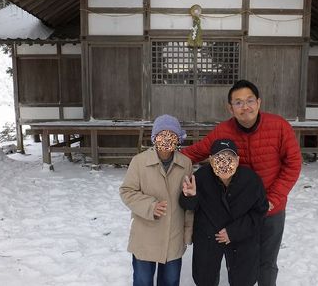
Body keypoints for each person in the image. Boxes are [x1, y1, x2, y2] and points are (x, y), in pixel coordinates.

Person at [181, 79, 302, 286]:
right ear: (230, 108)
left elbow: (293, 163)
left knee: (266, 261)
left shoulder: (279, 126)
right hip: (239, 212)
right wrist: (162, 159)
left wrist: (273, 198)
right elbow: (197, 151)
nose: (245, 107)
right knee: (241, 259)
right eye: (238, 102)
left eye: (249, 100)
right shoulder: (223, 131)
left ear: (259, 102)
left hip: (272, 208)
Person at [180, 139, 269, 286]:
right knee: (205, 278)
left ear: (238, 160)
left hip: (242, 238)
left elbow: (260, 211)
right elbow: (188, 206)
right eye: (219, 159)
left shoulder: (251, 180)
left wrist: (233, 232)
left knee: (244, 279)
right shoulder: (200, 177)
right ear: (210, 160)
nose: (224, 164)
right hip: (208, 237)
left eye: (229, 159)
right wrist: (190, 197)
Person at [119, 114, 193, 286]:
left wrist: (187, 232)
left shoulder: (186, 163)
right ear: (154, 138)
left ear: (178, 139)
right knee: (143, 280)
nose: (166, 140)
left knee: (171, 280)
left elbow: (188, 204)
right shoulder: (139, 162)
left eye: (172, 136)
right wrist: (150, 206)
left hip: (173, 235)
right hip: (146, 233)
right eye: (162, 135)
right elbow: (127, 191)